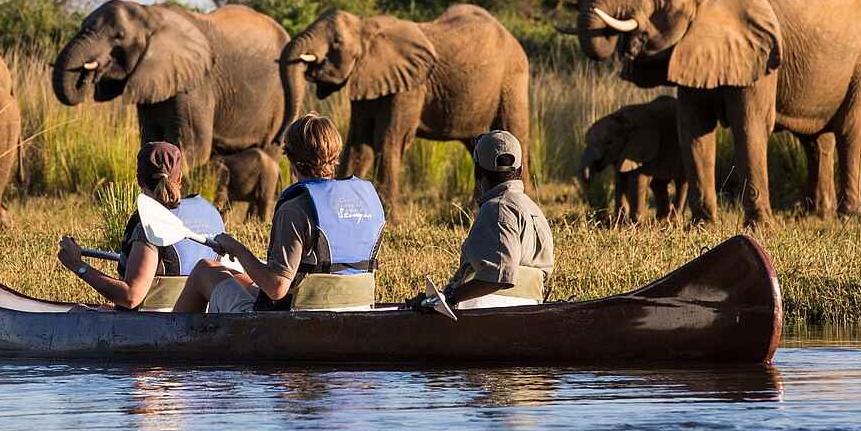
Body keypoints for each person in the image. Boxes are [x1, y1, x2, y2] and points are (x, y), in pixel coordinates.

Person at [172, 114, 384, 313]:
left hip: (291, 325)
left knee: (206, 270)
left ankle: (172, 343)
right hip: (357, 310)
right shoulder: (368, 200)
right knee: (236, 276)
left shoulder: (296, 209)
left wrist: (236, 248)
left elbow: (277, 287)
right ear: (336, 155)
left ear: (292, 159)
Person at [57, 141, 224, 310]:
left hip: (151, 327)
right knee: (103, 309)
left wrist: (78, 266)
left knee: (78, 311)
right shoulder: (210, 213)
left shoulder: (149, 226)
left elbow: (131, 296)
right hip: (195, 322)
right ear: (179, 177)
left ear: (139, 179)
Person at [414, 130, 553, 311]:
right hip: (531, 309)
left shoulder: (497, 208)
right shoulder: (535, 210)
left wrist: (449, 297)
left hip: (488, 313)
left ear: (477, 172)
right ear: (520, 170)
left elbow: (499, 275)